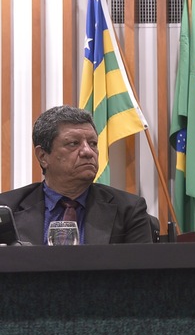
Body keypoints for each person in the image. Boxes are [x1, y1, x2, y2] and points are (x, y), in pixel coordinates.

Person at [0, 105, 154, 244]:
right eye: (73, 143)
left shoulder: (128, 210)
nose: (88, 151)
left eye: (93, 143)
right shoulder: (6, 209)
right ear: (43, 156)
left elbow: (141, 267)